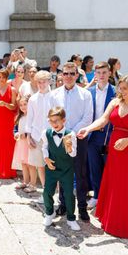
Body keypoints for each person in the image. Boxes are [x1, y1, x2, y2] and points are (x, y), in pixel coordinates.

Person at [78, 75, 128, 239]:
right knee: (114, 185)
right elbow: (103, 120)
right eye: (121, 87)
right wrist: (88, 129)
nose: (121, 91)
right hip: (115, 150)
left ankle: (125, 226)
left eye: (125, 88)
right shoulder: (114, 102)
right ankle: (111, 222)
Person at [51, 62, 93, 221]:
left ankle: (82, 207)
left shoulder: (85, 94)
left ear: (77, 75)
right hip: (59, 140)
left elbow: (88, 117)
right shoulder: (54, 94)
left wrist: (70, 134)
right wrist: (60, 133)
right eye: (66, 73)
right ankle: (63, 205)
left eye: (71, 73)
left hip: (78, 139)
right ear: (61, 75)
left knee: (80, 174)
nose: (68, 76)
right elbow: (51, 116)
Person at [42, 106, 80, 231]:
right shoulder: (46, 133)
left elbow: (73, 154)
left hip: (66, 169)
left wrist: (69, 148)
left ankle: (71, 218)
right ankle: (49, 213)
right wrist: (46, 159)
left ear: (63, 120)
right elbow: (45, 148)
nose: (54, 124)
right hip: (51, 168)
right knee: (47, 191)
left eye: (57, 120)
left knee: (69, 194)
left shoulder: (70, 134)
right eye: (51, 121)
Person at [86, 61, 116, 209]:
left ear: (109, 73)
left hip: (109, 136)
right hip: (92, 136)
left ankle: (109, 198)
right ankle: (97, 196)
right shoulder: (89, 92)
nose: (101, 75)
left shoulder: (116, 92)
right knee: (94, 168)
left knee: (109, 169)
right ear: (95, 75)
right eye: (98, 73)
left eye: (104, 72)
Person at [26, 70, 55, 194]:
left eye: (44, 82)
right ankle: (45, 191)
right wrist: (28, 136)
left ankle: (56, 193)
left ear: (49, 81)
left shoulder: (55, 97)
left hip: (53, 136)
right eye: (39, 82)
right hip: (36, 136)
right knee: (40, 165)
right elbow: (29, 119)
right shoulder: (33, 99)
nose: (41, 85)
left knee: (53, 166)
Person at [13, 95, 37, 193]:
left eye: (25, 104)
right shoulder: (20, 117)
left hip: (28, 142)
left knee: (30, 163)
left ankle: (33, 184)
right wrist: (16, 134)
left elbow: (34, 129)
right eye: (21, 105)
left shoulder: (32, 117)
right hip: (21, 144)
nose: (23, 107)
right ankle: (26, 181)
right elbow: (15, 128)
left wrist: (25, 134)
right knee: (23, 163)